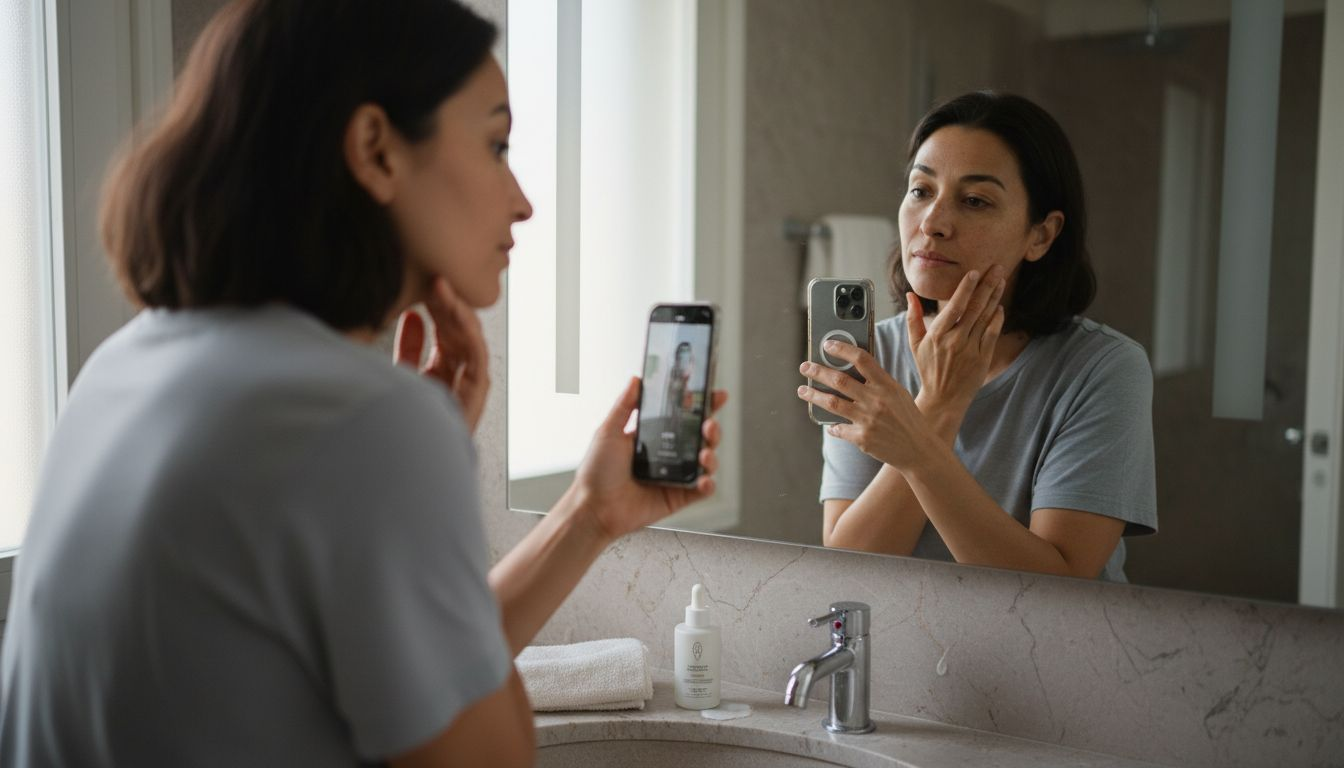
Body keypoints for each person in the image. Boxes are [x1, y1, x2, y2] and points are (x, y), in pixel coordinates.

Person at [0, 1, 725, 766]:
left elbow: (423, 680)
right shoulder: (365, 424)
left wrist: (588, 515)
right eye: (496, 143)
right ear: (376, 150)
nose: (523, 200)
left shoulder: (127, 364)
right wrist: (425, 448)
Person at [797, 91, 1155, 582]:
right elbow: (852, 568)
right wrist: (936, 408)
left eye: (974, 200)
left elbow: (1061, 589)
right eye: (921, 190)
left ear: (1042, 236)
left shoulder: (1103, 369)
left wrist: (928, 426)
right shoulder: (868, 358)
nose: (933, 223)